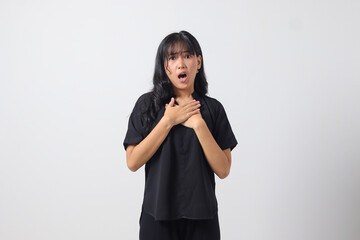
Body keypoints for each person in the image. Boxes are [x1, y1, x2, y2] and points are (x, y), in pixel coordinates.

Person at [123, 31, 237, 240]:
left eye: (187, 55)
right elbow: (132, 161)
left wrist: (199, 124)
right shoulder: (147, 105)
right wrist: (168, 121)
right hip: (157, 218)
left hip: (203, 220)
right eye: (173, 58)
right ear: (164, 66)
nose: (181, 64)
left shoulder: (213, 109)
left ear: (198, 61)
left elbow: (223, 169)